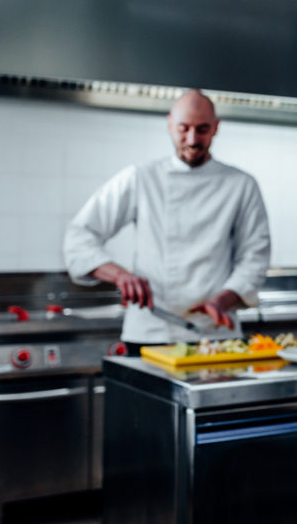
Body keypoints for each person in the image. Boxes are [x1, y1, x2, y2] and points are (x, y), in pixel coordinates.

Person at [63, 89, 271, 351]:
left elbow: (255, 257)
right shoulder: (141, 177)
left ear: (216, 127)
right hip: (150, 332)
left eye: (203, 129)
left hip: (216, 335)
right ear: (170, 124)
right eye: (184, 129)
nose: (192, 139)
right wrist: (120, 275)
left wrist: (222, 301)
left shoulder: (241, 185)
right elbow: (80, 235)